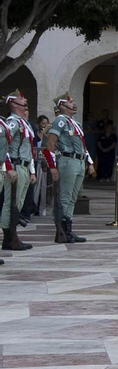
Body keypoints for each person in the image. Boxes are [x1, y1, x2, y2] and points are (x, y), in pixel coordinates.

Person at [45, 94, 91, 244]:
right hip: (68, 160)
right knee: (65, 197)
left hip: (79, 160)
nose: (74, 104)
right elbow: (50, 143)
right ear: (62, 106)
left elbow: (82, 145)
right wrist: (52, 166)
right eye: (70, 102)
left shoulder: (74, 123)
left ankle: (68, 228)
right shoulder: (60, 120)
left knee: (72, 198)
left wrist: (88, 162)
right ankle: (62, 230)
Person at [2, 91, 36, 252]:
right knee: (11, 203)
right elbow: (4, 146)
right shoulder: (12, 123)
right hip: (15, 165)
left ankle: (13, 235)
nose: (25, 99)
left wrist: (31, 171)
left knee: (18, 204)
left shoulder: (23, 122)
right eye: (21, 98)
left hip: (24, 166)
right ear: (14, 104)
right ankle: (8, 238)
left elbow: (29, 149)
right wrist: (8, 168)